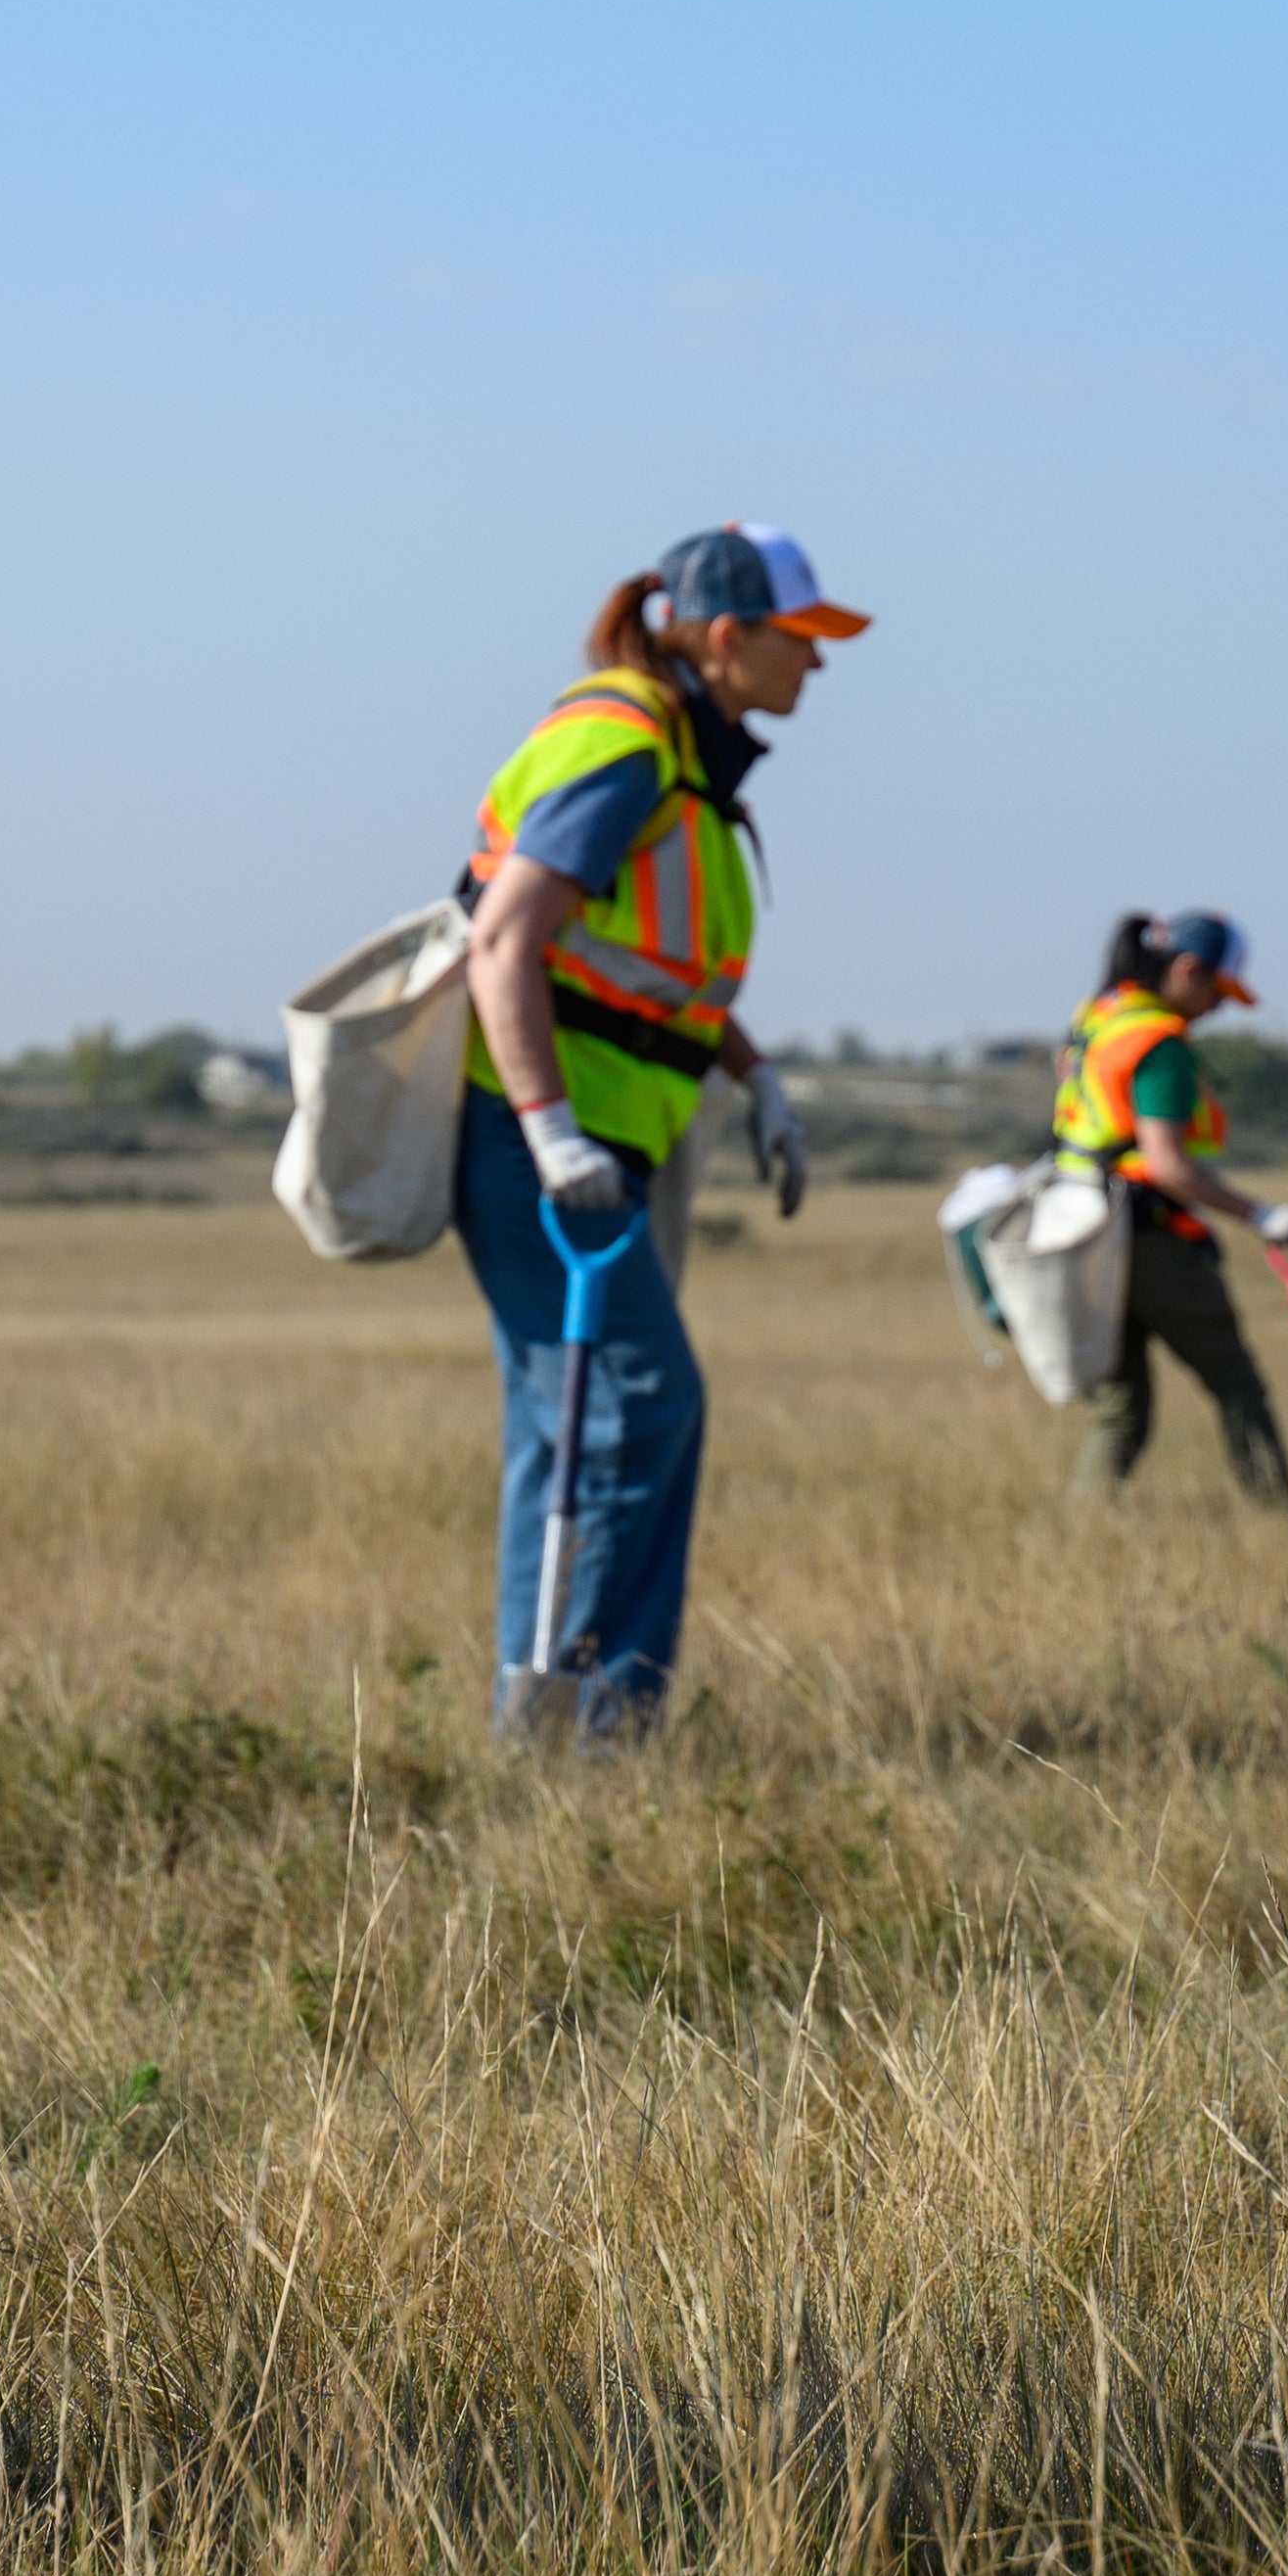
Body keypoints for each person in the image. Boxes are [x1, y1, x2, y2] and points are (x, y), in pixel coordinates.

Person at [454, 522, 868, 1735]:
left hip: (597, 1139)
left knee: (566, 1426)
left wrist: (757, 1079)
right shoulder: (628, 747)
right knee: (642, 1402)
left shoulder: (682, 757)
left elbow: (638, 974)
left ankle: (547, 1726)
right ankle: (601, 1730)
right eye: (804, 640)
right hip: (539, 1141)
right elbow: (506, 943)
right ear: (729, 638)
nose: (820, 666)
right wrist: (549, 1130)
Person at [1051, 909, 1288, 1503]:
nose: (1218, 1008)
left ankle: (1078, 1534)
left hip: (1079, 1237)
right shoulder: (1160, 1044)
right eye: (1217, 991)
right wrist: (1260, 1215)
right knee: (1236, 1384)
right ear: (1187, 969)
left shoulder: (1099, 1017)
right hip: (1146, 1235)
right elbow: (1167, 1163)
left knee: (1120, 1409)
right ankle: (1283, 1520)